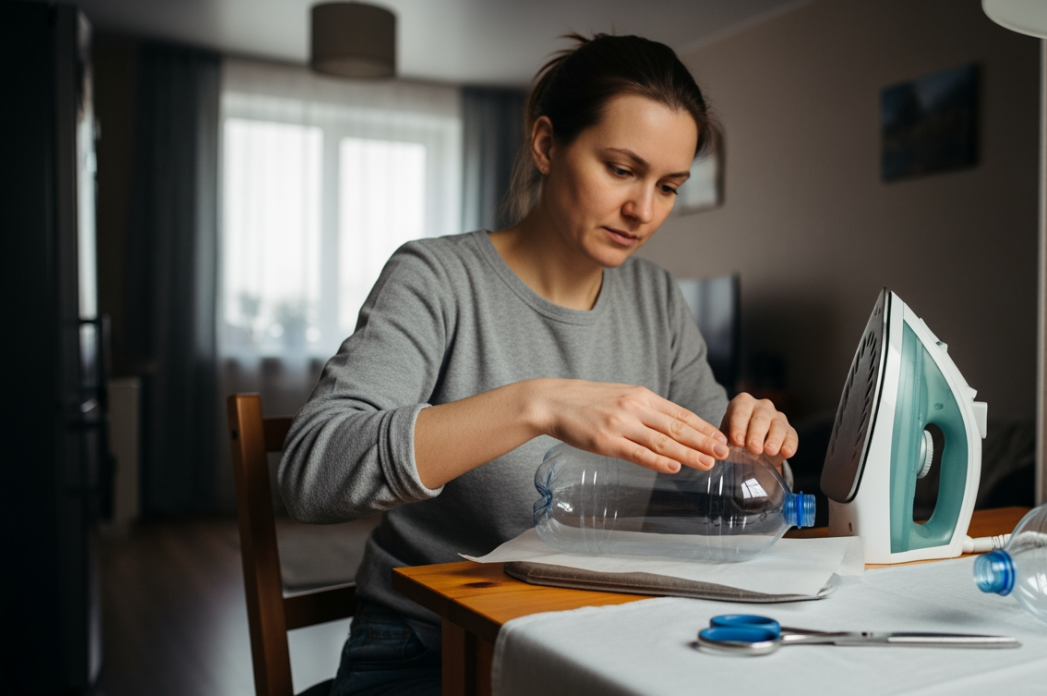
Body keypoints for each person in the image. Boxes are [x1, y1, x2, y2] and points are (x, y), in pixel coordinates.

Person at [280, 33, 799, 696]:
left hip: (604, 633)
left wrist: (755, 445)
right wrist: (537, 405)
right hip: (431, 645)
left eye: (668, 186)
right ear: (547, 145)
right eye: (620, 169)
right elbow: (310, 473)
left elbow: (713, 484)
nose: (643, 210)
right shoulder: (435, 277)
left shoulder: (655, 298)